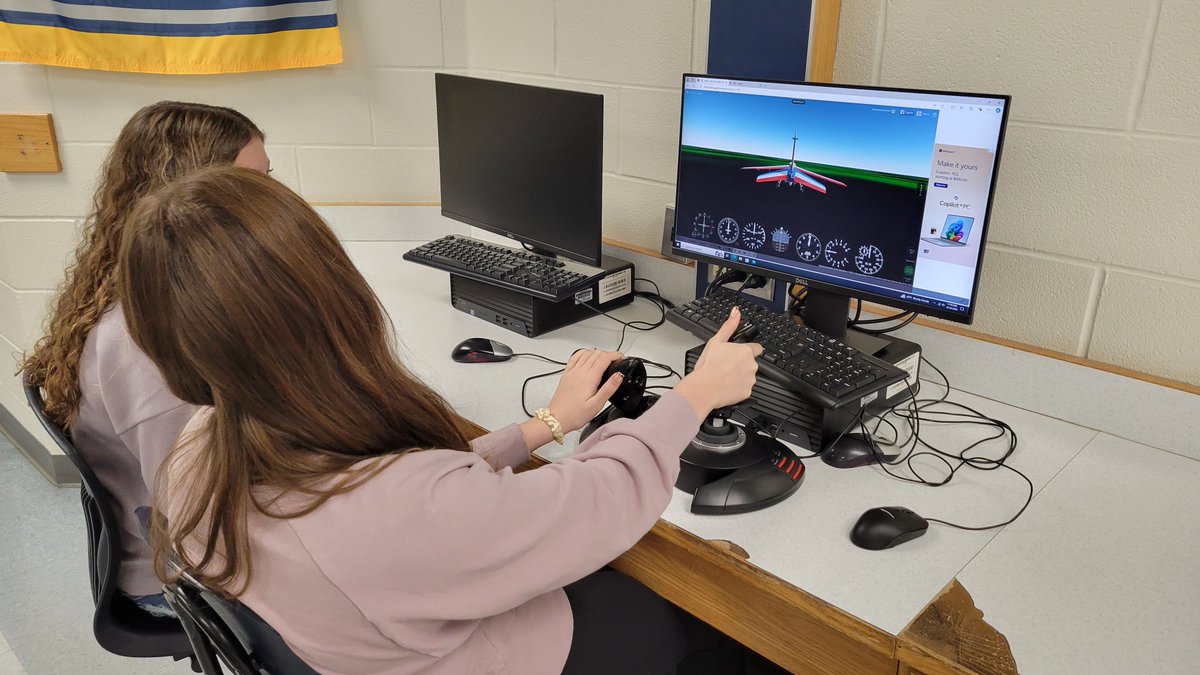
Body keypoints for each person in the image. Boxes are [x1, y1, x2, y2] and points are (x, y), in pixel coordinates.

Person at [121, 166, 765, 674]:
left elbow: (399, 492)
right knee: (711, 626)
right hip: (493, 658)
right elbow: (605, 496)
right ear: (333, 300)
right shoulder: (403, 516)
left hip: (365, 642)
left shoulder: (196, 450)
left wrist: (546, 424)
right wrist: (698, 395)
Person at [20, 101, 269, 617]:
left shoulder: (146, 286)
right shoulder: (149, 349)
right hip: (181, 576)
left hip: (188, 531)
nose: (275, 203)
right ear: (187, 197)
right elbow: (199, 517)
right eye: (250, 188)